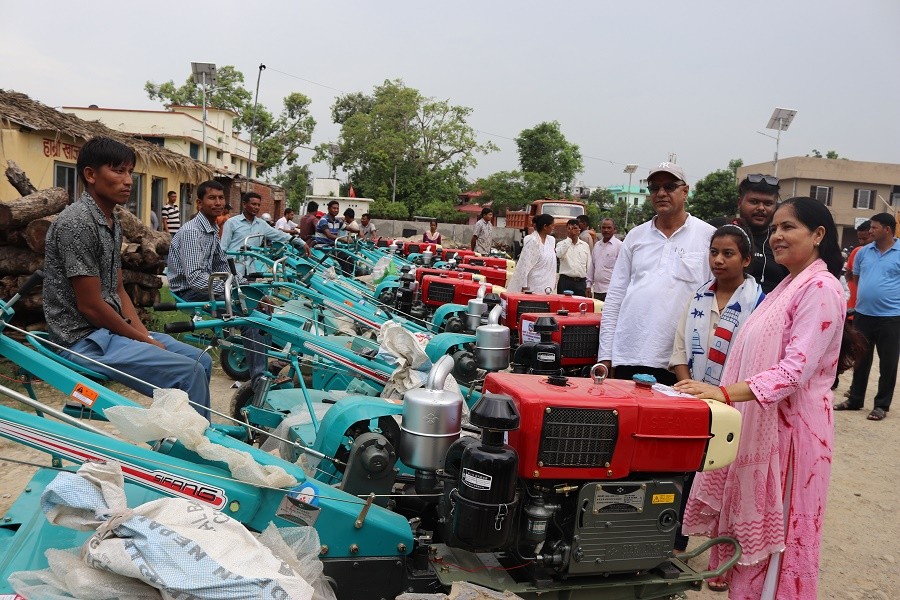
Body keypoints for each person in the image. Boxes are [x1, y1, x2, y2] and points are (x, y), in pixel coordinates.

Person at [675, 197, 862, 599]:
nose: (776, 236)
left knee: (783, 543)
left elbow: (794, 371)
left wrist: (722, 392)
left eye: (788, 227)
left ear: (818, 235)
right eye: (774, 228)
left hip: (794, 439)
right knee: (760, 548)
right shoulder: (786, 287)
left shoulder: (822, 287)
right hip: (765, 427)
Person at [43, 137, 212, 418]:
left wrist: (142, 335)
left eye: (129, 172)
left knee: (202, 360)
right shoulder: (77, 223)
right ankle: (193, 453)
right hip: (82, 340)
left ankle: (182, 437)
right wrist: (144, 341)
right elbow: (91, 306)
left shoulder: (112, 221)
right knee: (189, 371)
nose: (128, 180)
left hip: (109, 333)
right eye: (118, 171)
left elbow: (118, 289)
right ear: (90, 175)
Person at [668, 224, 765, 559]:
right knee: (686, 468)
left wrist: (720, 393)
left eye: (728, 253)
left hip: (735, 404)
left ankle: (724, 551)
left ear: (747, 259)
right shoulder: (698, 298)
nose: (719, 260)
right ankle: (676, 541)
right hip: (694, 400)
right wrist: (690, 388)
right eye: (714, 252)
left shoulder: (759, 304)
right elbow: (680, 349)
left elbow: (760, 360)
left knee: (730, 473)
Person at [598, 163, 715, 385]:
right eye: (654, 188)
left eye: (670, 186)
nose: (661, 193)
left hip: (680, 363)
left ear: (686, 191)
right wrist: (606, 355)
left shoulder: (708, 237)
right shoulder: (635, 236)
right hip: (629, 355)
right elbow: (615, 298)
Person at [168, 181, 268, 391]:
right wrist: (232, 291)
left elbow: (223, 265)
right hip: (189, 292)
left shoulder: (212, 229)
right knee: (250, 318)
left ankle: (264, 368)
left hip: (206, 286)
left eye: (221, 198)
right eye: (212, 198)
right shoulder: (192, 232)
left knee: (260, 306)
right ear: (199, 203)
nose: (218, 202)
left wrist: (250, 291)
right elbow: (195, 279)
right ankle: (259, 382)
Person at [837, 212, 899, 421]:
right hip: (864, 315)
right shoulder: (863, 252)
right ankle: (855, 399)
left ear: (887, 229)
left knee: (888, 363)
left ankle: (881, 405)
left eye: (874, 227)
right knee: (860, 359)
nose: (869, 231)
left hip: (892, 317)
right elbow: (857, 278)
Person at [220, 192, 308, 275]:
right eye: (254, 204)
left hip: (251, 269)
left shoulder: (262, 224)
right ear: (244, 204)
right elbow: (223, 248)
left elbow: (280, 235)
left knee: (249, 290)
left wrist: (301, 242)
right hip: (234, 269)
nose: (257, 207)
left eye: (258, 205)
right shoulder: (232, 223)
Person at [734, 174, 788, 294]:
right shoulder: (719, 230)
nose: (761, 208)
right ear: (739, 202)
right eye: (754, 202)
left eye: (768, 204)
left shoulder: (782, 242)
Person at [506, 214, 557, 293]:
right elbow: (524, 266)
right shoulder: (533, 242)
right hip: (534, 284)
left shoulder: (551, 240)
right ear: (545, 226)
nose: (553, 228)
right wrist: (524, 286)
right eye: (552, 226)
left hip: (548, 283)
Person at [587, 218, 622, 301]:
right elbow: (592, 266)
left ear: (614, 229)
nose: (606, 230)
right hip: (597, 291)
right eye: (604, 228)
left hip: (612, 291)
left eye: (609, 228)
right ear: (600, 229)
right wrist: (588, 285)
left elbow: (623, 269)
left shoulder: (619, 246)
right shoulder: (597, 245)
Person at [556, 219, 591, 296]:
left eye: (575, 228)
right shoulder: (561, 244)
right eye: (570, 229)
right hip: (565, 281)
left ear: (579, 229)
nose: (573, 231)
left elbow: (589, 266)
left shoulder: (585, 246)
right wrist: (569, 238)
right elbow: (559, 255)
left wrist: (588, 285)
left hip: (580, 282)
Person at [843, 220, 872, 317]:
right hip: (854, 304)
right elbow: (848, 274)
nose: (861, 242)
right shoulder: (857, 251)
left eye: (865, 238)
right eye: (860, 239)